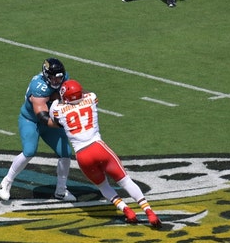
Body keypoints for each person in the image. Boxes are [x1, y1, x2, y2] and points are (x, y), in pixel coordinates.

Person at [50, 79, 162, 227]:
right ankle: (149, 212)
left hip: (82, 155)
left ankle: (126, 210)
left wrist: (58, 98)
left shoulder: (58, 109)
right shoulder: (91, 98)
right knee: (125, 181)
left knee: (103, 186)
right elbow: (84, 94)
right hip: (99, 147)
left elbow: (54, 112)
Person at [0, 58, 76, 202]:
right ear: (46, 75)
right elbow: (43, 117)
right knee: (29, 151)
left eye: (59, 77)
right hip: (31, 120)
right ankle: (6, 182)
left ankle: (61, 189)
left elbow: (72, 95)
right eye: (53, 77)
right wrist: (65, 122)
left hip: (51, 121)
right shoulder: (38, 86)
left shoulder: (64, 78)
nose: (57, 80)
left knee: (66, 153)